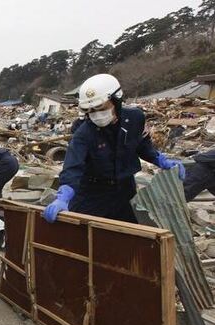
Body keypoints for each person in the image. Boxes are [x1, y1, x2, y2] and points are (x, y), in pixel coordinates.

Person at [43, 74, 185, 224]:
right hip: (92, 193)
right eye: (90, 111)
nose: (96, 114)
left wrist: (161, 160)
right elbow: (73, 166)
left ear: (116, 100)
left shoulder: (135, 118)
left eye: (100, 108)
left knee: (128, 234)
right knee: (83, 236)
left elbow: (141, 145)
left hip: (125, 190)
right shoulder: (83, 132)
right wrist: (63, 196)